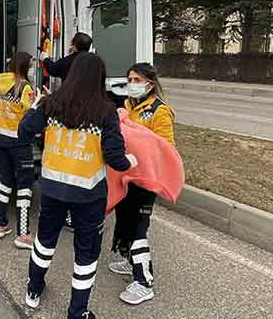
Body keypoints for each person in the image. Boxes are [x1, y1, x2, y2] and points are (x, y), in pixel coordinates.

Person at [18, 53, 138, 319]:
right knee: (86, 252)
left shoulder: (51, 104)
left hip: (51, 190)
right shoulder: (106, 112)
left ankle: (34, 291)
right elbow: (116, 159)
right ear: (99, 79)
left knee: (45, 240)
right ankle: (77, 312)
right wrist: (132, 160)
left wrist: (35, 106)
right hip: (88, 195)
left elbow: (23, 132)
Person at [108, 62, 175, 306]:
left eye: (137, 80)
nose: (132, 85)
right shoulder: (127, 106)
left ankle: (144, 281)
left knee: (138, 227)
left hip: (146, 180)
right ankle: (129, 259)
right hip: (127, 177)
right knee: (124, 222)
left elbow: (166, 149)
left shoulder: (159, 111)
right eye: (130, 80)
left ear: (151, 83)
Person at [40, 31, 94, 230]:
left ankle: (64, 212)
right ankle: (77, 213)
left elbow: (53, 69)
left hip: (69, 111)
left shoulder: (72, 61)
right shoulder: (94, 63)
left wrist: (45, 58)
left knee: (66, 165)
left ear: (74, 45)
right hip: (88, 115)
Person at [0, 52, 36, 250]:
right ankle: (23, 234)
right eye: (31, 64)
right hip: (19, 142)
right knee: (25, 186)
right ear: (24, 66)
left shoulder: (3, 81)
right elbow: (30, 114)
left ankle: (0, 224)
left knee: (5, 182)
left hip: (2, 137)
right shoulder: (25, 87)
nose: (32, 68)